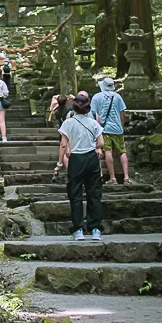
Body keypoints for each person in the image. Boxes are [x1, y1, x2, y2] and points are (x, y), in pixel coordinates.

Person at [59, 92, 105, 240]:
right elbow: (101, 143)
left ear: (74, 107)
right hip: (91, 158)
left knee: (75, 194)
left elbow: (64, 144)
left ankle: (78, 229)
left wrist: (64, 157)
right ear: (88, 107)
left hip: (76, 160)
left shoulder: (68, 123)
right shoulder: (93, 123)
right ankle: (95, 229)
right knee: (94, 193)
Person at [91, 76, 130, 184]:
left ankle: (113, 178)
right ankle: (126, 177)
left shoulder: (96, 97)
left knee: (108, 151)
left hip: (104, 129)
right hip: (117, 129)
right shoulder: (117, 97)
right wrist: (121, 126)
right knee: (122, 151)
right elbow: (123, 113)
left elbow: (93, 114)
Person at [49, 93, 74, 178]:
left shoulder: (57, 111)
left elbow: (54, 99)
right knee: (69, 149)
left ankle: (67, 168)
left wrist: (58, 97)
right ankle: (71, 168)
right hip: (69, 131)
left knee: (65, 150)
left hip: (61, 130)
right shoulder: (69, 110)